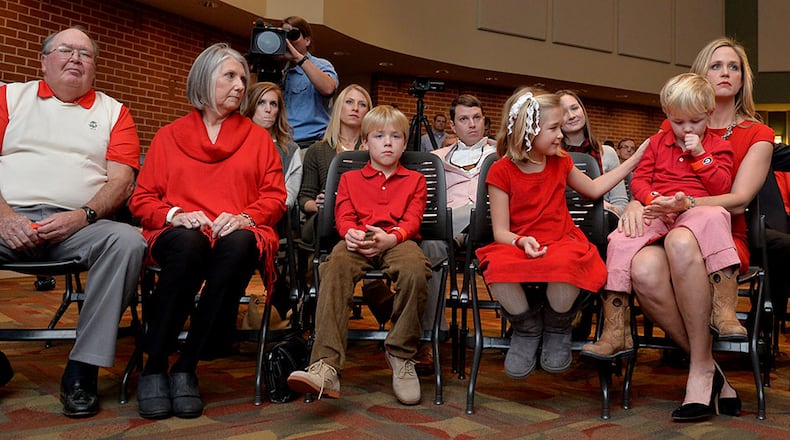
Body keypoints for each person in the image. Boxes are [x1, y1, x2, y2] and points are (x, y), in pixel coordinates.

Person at [619, 37, 774, 421]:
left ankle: (699, 375)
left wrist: (685, 204)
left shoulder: (757, 134)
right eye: (716, 65)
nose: (725, 73)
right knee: (642, 270)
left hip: (719, 238)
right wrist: (639, 202)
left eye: (733, 67)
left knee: (684, 241)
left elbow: (737, 199)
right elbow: (649, 175)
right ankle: (709, 368)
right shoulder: (675, 122)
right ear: (700, 76)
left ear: (743, 79)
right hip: (665, 228)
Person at [129, 43, 286, 420]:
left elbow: (275, 197)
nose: (239, 85)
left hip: (236, 232)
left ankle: (186, 365)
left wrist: (246, 216)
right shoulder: (169, 136)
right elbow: (142, 200)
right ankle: (153, 366)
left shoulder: (258, 139)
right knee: (189, 242)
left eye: (242, 79)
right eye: (229, 76)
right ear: (204, 78)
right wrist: (176, 214)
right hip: (181, 233)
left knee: (240, 242)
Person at [0, 26, 146, 418]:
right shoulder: (10, 98)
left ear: (95, 68)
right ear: (43, 61)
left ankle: (82, 370)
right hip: (6, 216)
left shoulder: (115, 111)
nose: (76, 58)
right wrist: (4, 216)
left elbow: (121, 180)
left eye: (85, 54)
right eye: (66, 50)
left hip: (80, 226)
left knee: (128, 242)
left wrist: (82, 216)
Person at [475, 88, 644, 379]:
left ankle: (557, 326)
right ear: (529, 130)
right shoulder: (501, 170)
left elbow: (593, 188)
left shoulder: (561, 160)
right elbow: (501, 231)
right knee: (498, 268)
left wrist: (635, 159)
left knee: (566, 264)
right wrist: (521, 240)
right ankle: (527, 329)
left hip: (561, 238)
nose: (560, 136)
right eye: (553, 128)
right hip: (518, 241)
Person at [582, 73, 739, 363]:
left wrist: (701, 155)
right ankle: (616, 330)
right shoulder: (656, 143)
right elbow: (639, 181)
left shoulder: (719, 147)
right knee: (620, 238)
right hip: (657, 210)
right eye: (678, 122)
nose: (686, 129)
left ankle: (724, 310)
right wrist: (654, 200)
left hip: (694, 211)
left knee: (717, 214)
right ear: (667, 115)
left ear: (709, 114)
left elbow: (721, 187)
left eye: (695, 122)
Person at [287, 105, 432, 405]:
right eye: (379, 136)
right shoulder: (350, 178)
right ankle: (326, 365)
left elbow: (413, 219)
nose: (388, 142)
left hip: (397, 239)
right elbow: (343, 215)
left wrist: (392, 237)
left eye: (395, 136)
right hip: (358, 239)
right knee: (334, 266)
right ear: (366, 142)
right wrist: (350, 233)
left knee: (416, 270)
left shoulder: (415, 180)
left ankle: (402, 354)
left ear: (405, 143)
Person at [417, 94, 496, 373]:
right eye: (464, 119)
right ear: (452, 125)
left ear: (485, 121)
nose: (472, 124)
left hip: (490, 226)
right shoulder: (436, 159)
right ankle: (430, 336)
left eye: (477, 118)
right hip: (447, 227)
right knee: (430, 245)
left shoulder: (503, 155)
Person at [297, 84, 371, 245]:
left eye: (362, 104)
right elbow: (304, 198)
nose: (356, 108)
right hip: (327, 220)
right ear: (339, 107)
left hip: (367, 218)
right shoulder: (317, 150)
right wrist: (318, 205)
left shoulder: (374, 150)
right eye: (349, 102)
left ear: (368, 112)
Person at [557, 90, 629, 215]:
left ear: (583, 111)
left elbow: (621, 204)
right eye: (563, 113)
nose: (571, 115)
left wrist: (605, 209)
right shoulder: (553, 156)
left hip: (601, 226)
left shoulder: (607, 153)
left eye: (575, 108)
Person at [241, 81, 303, 207]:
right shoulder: (234, 142)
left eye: (273, 104)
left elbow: (288, 198)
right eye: (261, 102)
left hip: (272, 215)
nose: (268, 109)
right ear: (251, 106)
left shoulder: (290, 150)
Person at [281, 16, 339, 147]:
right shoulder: (280, 70)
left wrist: (298, 59)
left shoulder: (321, 65)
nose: (288, 40)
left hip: (311, 144)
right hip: (283, 144)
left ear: (307, 40)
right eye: (284, 35)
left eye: (293, 35)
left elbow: (329, 88)